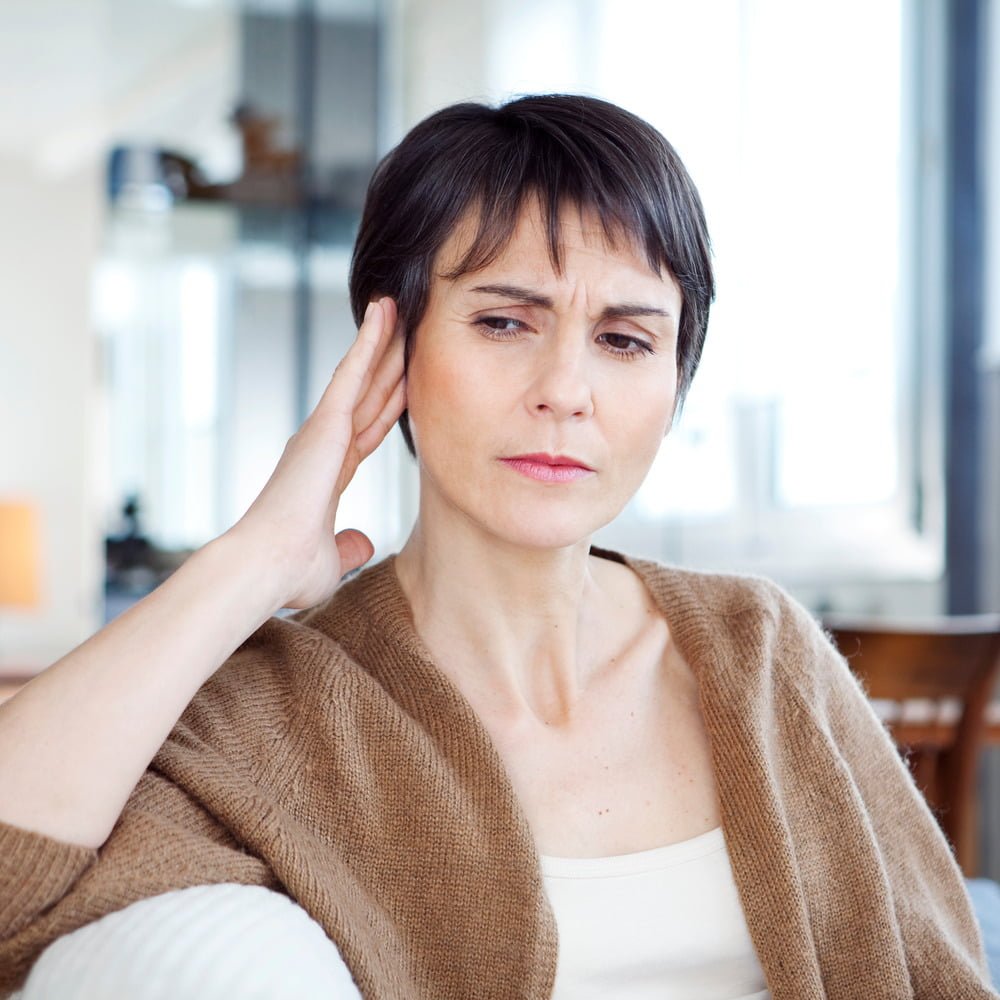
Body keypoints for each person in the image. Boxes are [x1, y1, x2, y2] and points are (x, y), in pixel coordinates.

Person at [0, 94, 994, 1000]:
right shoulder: (276, 710)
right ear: (390, 348)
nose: (565, 388)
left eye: (625, 339)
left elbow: (938, 971)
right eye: (505, 320)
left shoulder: (760, 647)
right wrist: (254, 557)